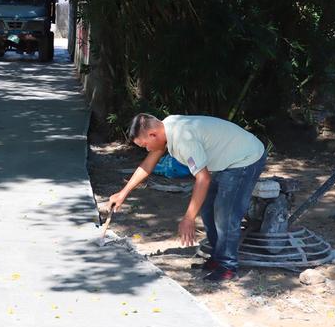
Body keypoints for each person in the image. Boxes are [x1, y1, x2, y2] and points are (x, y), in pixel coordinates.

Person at [109, 114, 266, 282]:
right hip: (228, 159)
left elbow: (203, 178)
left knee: (225, 213)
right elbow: (148, 164)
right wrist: (123, 193)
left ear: (153, 134)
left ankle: (228, 266)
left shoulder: (183, 139)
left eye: (145, 145)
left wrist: (188, 218)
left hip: (246, 158)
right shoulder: (165, 128)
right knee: (207, 209)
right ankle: (218, 257)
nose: (147, 149)